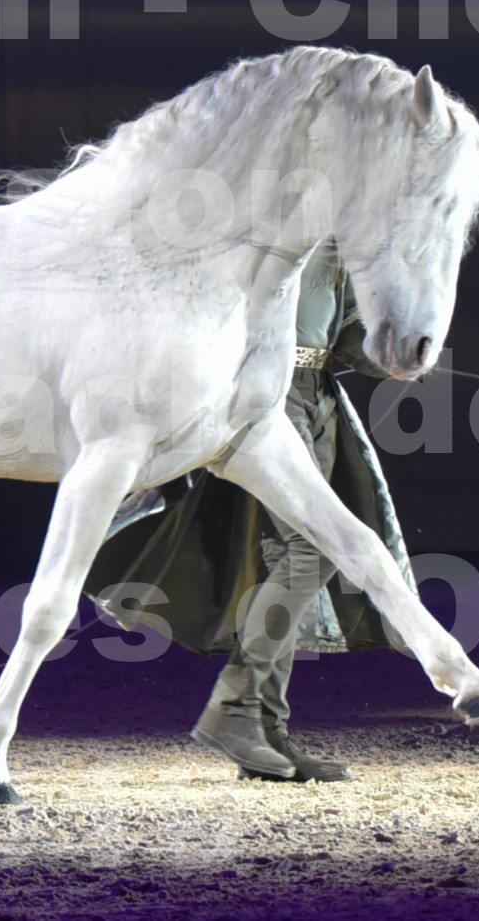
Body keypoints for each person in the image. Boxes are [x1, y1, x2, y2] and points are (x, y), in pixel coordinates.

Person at [85, 240, 416, 782]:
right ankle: (237, 712)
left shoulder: (341, 246)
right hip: (265, 396)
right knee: (315, 546)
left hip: (316, 397)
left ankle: (264, 728)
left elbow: (346, 341)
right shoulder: (270, 230)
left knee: (285, 558)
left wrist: (399, 352)